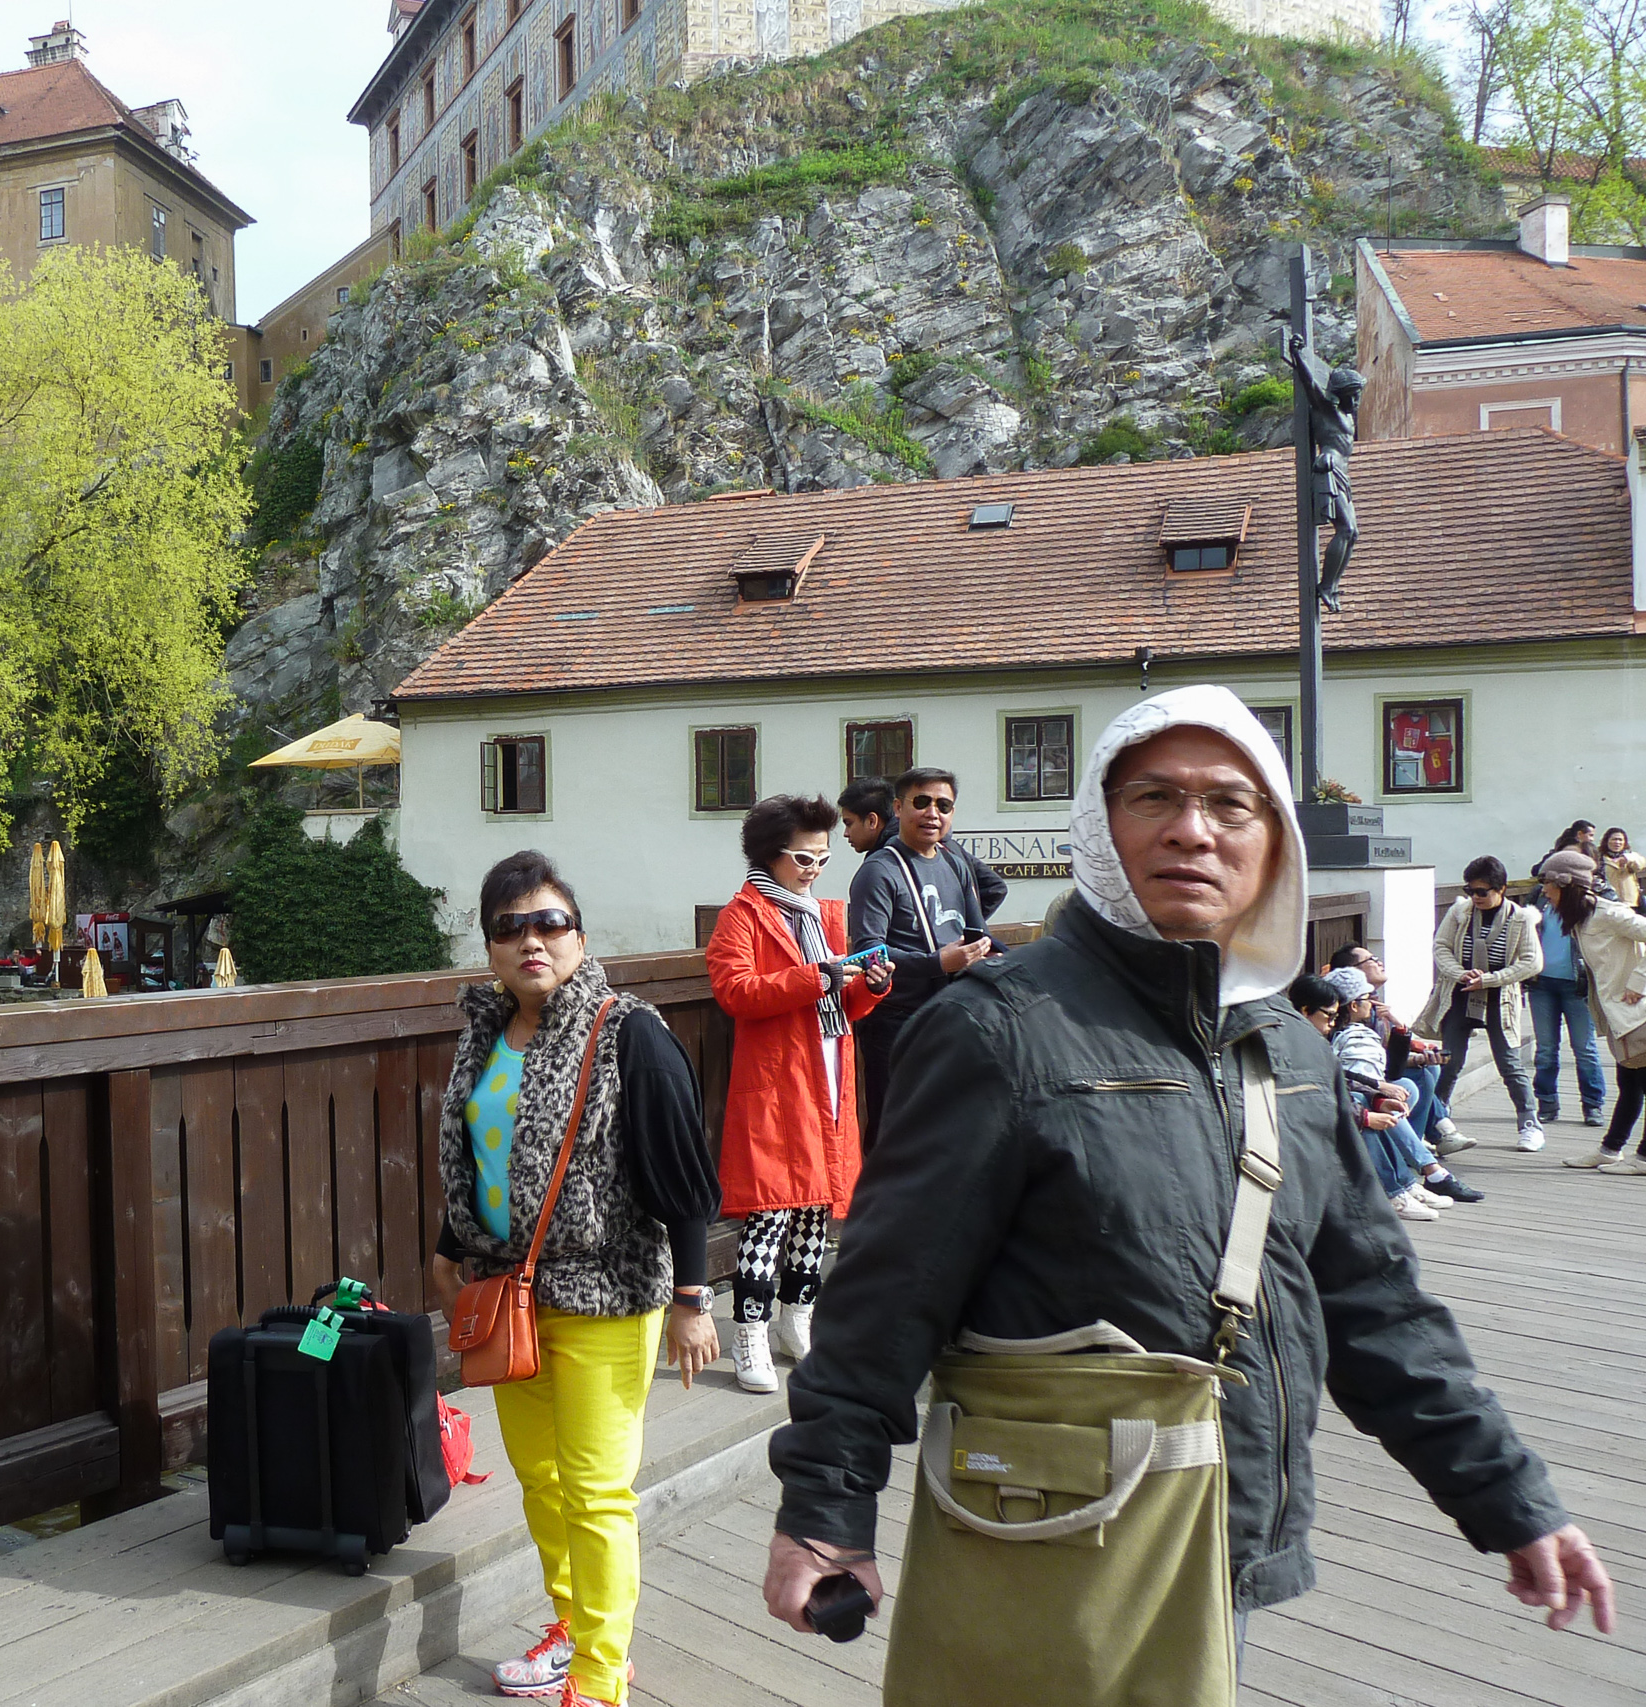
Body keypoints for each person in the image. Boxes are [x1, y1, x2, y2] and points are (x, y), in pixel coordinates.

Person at [762, 684, 1612, 1679]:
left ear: (1272, 841)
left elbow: (1373, 1302)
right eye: (1154, 797)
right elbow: (886, 1292)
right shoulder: (998, 1029)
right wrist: (825, 1508)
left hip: (1225, 1522)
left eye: (1230, 803)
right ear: (1099, 825)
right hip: (1057, 1536)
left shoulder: (1291, 1046)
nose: (1191, 830)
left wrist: (1508, 1497)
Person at [430, 851, 721, 1706]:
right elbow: (482, 1155)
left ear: (580, 938)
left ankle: (599, 1674)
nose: (532, 939)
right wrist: (448, 1246)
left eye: (549, 922)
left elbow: (683, 1176)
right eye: (510, 926)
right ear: (490, 949)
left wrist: (693, 1298)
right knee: (541, 1480)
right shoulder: (485, 1033)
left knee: (595, 1490)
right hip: (511, 1297)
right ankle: (572, 1625)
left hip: (606, 1293)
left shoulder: (629, 1032)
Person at [705, 795, 893, 1394]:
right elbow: (735, 991)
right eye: (804, 858)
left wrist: (869, 987)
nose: (815, 869)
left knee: (815, 1213)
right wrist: (819, 976)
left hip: (829, 1076)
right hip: (778, 1084)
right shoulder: (742, 916)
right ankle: (750, 1335)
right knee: (769, 1213)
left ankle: (797, 1323)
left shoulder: (824, 915)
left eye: (823, 858)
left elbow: (842, 1004)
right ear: (771, 854)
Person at [844, 766, 1010, 1153]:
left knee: (951, 1124)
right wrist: (936, 963)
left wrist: (994, 957)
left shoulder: (954, 861)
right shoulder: (879, 870)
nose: (932, 813)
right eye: (921, 802)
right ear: (898, 808)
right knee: (896, 1130)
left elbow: (976, 931)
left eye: (943, 805)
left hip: (950, 1012)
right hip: (897, 1020)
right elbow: (868, 951)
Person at [1322, 945, 1483, 1202]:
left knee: (1422, 1074)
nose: (1379, 962)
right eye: (1371, 959)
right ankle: (1422, 1171)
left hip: (1370, 1080)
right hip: (1352, 1090)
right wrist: (1381, 1088)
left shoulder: (1373, 1010)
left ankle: (1417, 1161)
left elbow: (1388, 1063)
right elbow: (1348, 1070)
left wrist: (1399, 1028)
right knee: (1395, 1091)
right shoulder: (1343, 1022)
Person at [1419, 857, 1546, 1151]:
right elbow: (1441, 946)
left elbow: (1532, 962)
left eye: (1482, 891)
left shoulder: (1520, 918)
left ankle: (1530, 1124)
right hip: (1460, 994)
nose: (1475, 897)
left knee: (1509, 1063)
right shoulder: (1460, 911)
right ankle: (1437, 1125)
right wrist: (1460, 973)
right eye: (1471, 890)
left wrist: (1490, 979)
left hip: (1499, 998)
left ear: (1501, 889)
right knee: (1449, 1061)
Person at [1537, 847, 1646, 1174]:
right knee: (1629, 1082)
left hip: (1637, 1013)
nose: (1544, 891)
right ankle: (1611, 1149)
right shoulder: (1583, 917)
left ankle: (1639, 1156)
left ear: (1566, 885)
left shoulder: (1608, 913)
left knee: (1637, 1082)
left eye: (1548, 884)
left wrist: (1639, 981)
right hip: (1622, 1015)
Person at [1530, 865, 1608, 1128]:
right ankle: (1547, 1102)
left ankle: (1593, 1104)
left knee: (1585, 1048)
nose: (1544, 888)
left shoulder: (1589, 904)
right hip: (1541, 983)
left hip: (1578, 985)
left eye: (1548, 882)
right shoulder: (1540, 900)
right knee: (1546, 1049)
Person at [836, 777, 893, 855]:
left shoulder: (883, 859)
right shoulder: (905, 846)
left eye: (849, 824)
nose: (846, 834)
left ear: (872, 821)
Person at [1600, 827, 1642, 909]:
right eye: (1614, 839)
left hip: (1631, 902)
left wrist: (1626, 858)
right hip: (1610, 902)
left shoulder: (1630, 856)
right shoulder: (1600, 858)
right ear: (1607, 841)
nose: (1617, 842)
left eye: (1620, 840)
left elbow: (1641, 863)